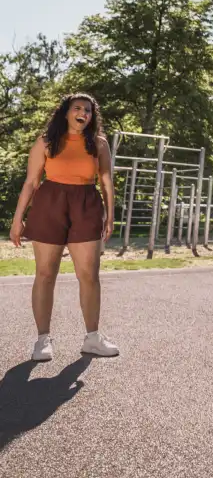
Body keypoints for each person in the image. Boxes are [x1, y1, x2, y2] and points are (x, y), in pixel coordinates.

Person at [9, 93, 119, 361]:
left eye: (88, 110)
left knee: (89, 276)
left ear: (92, 116)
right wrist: (17, 219)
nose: (83, 113)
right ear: (66, 113)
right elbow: (31, 183)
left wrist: (110, 215)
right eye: (78, 108)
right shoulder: (46, 142)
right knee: (45, 274)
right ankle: (42, 340)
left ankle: (92, 338)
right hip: (50, 203)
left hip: (86, 204)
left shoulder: (100, 144)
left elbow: (106, 181)